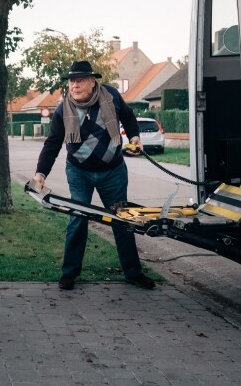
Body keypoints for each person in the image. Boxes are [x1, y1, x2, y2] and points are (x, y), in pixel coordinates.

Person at [32, 61, 155, 291]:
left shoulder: (111, 96)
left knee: (122, 219)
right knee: (78, 218)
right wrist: (41, 173)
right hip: (79, 172)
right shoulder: (63, 109)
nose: (74, 85)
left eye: (79, 80)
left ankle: (133, 273)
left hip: (113, 171)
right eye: (71, 81)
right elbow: (52, 144)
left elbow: (128, 117)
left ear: (92, 81)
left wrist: (135, 137)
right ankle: (69, 273)